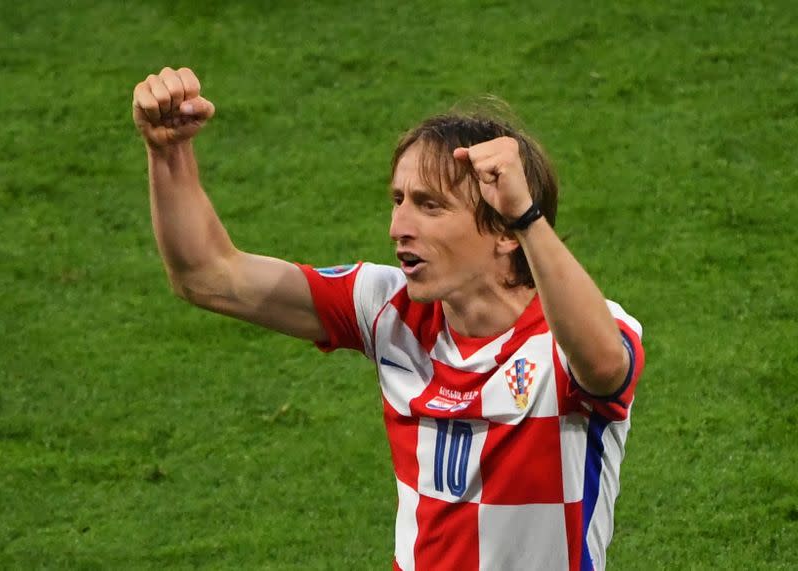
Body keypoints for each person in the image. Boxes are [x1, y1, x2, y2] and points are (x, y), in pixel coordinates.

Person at [133, 66, 645, 571]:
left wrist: (525, 215)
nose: (399, 225)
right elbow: (206, 275)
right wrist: (168, 150)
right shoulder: (385, 306)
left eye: (429, 206)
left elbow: (602, 366)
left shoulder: (574, 333)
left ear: (503, 231)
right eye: (398, 200)